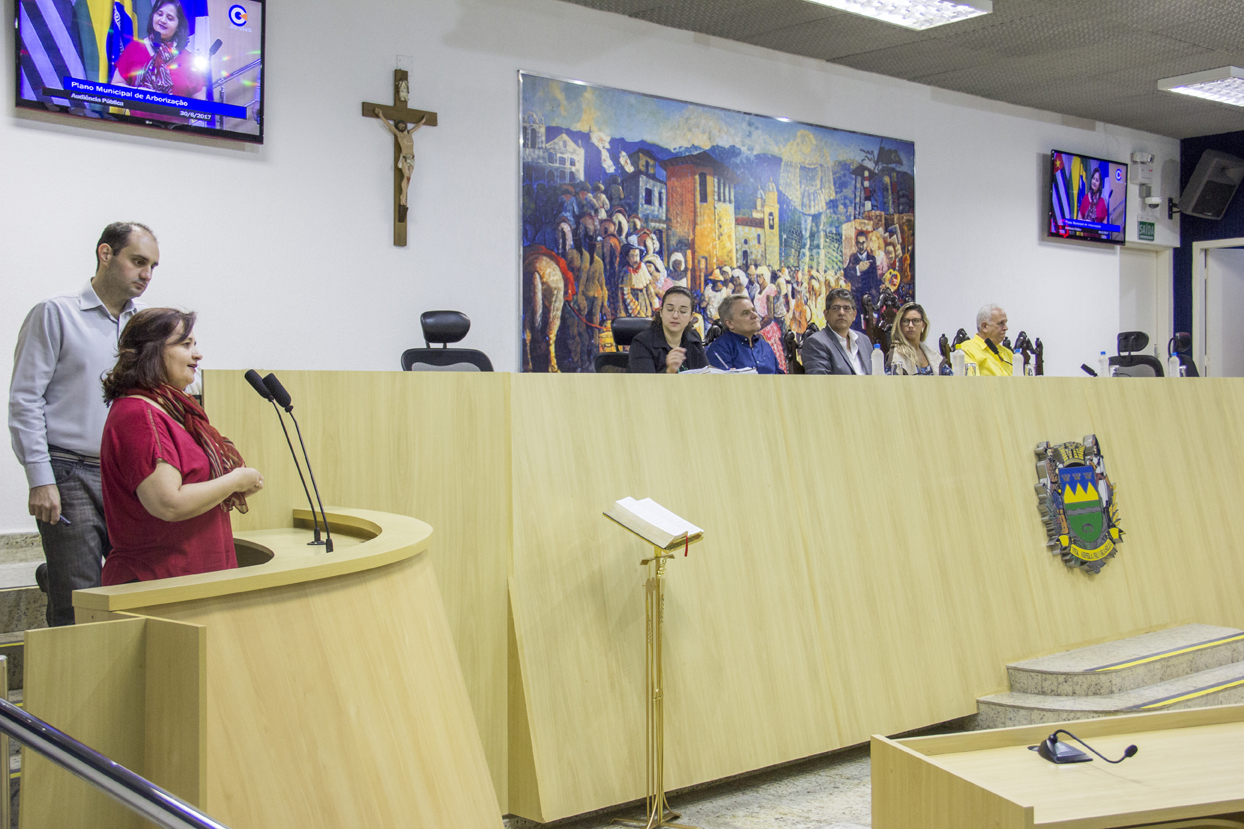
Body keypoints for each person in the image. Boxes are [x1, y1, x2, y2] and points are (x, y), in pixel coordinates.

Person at [9, 222, 157, 626]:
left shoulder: (141, 327)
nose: (146, 275)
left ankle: (54, 574)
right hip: (69, 470)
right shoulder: (55, 313)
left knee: (134, 585)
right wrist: (40, 479)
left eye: (153, 267)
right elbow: (25, 400)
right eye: (138, 261)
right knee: (79, 598)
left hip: (126, 476)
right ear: (105, 254)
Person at [99, 309, 263, 585]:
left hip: (195, 575)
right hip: (162, 581)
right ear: (151, 352)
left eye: (195, 345)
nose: (197, 355)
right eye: (185, 345)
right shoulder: (138, 415)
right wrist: (234, 480)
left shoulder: (174, 411)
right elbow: (169, 504)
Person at [112, 0, 206, 99]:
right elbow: (116, 85)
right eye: (159, 14)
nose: (163, 20)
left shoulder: (189, 61)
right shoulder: (135, 49)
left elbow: (200, 106)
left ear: (178, 26)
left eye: (170, 18)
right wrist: (138, 93)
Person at [627, 287, 708, 374]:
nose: (675, 316)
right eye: (670, 309)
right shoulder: (641, 343)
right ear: (661, 312)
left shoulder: (693, 338)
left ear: (691, 317)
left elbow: (705, 373)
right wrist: (669, 371)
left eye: (683, 311)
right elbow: (645, 385)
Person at [801, 289, 874, 375]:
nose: (841, 312)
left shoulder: (864, 340)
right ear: (826, 314)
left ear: (854, 315)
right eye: (836, 308)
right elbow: (819, 384)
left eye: (847, 308)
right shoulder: (815, 343)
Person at [705, 294, 780, 374]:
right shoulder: (720, 348)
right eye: (745, 313)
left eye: (754, 310)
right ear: (730, 323)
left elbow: (780, 378)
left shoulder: (765, 346)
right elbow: (723, 383)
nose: (755, 316)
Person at [888, 302, 949, 376]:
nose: (910, 325)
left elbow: (954, 380)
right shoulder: (895, 356)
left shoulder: (933, 355)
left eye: (916, 321)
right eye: (906, 321)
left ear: (923, 325)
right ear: (900, 325)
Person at [957, 304, 1014, 376]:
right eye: (1001, 323)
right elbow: (970, 382)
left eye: (1005, 323)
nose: (1006, 328)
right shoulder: (966, 349)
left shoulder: (1008, 353)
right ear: (984, 326)